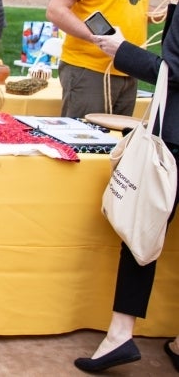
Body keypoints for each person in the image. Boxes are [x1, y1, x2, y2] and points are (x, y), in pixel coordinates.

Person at [75, 21, 179, 372]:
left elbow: (172, 70)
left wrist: (122, 51)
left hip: (173, 140)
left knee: (140, 232)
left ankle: (120, 335)